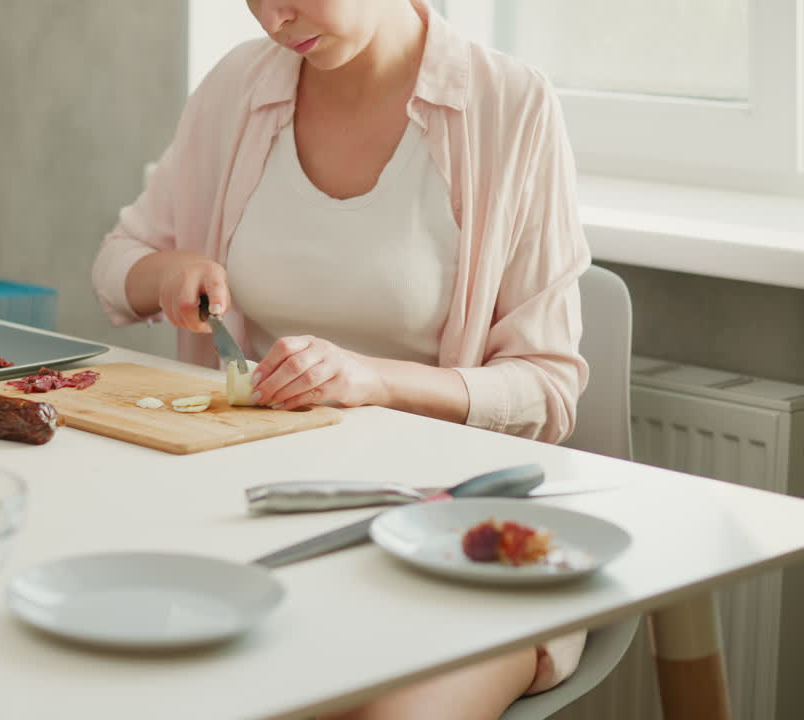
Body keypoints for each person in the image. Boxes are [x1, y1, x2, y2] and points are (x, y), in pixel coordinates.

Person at [92, 1, 591, 718]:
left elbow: (546, 388)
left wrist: (373, 380)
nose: (274, 16)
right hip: (258, 515)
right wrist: (167, 272)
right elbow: (118, 263)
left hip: (456, 534)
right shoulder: (238, 87)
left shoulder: (510, 106)